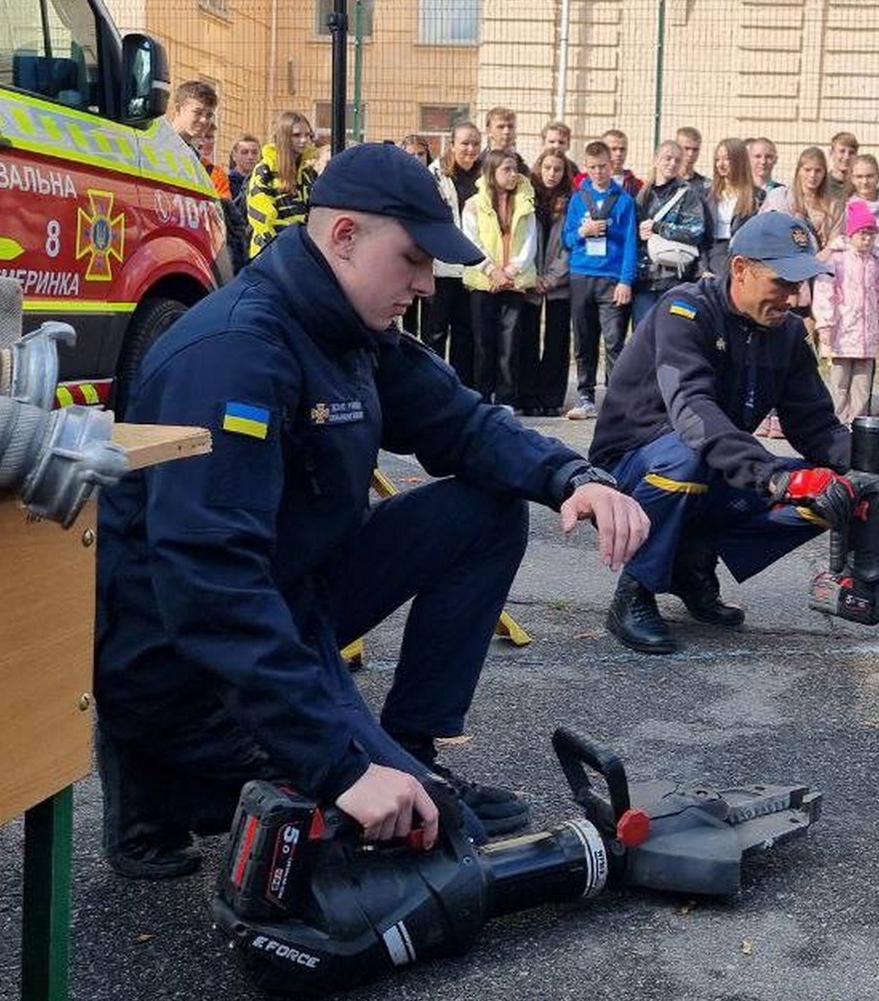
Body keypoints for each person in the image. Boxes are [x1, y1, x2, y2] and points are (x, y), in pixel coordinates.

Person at [92, 143, 649, 877]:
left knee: (485, 511)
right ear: (345, 236)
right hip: (187, 662)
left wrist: (574, 474)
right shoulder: (237, 355)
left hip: (293, 604)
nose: (426, 284)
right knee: (427, 829)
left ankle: (410, 750)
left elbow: (462, 421)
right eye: (413, 259)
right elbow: (209, 586)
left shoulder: (349, 326)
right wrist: (341, 766)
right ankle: (166, 779)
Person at [588, 211, 855, 655]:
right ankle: (635, 591)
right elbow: (692, 413)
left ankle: (690, 564)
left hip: (710, 462)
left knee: (836, 491)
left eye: (799, 284)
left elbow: (817, 428)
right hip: (631, 469)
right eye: (783, 283)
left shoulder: (787, 334)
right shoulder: (685, 310)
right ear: (740, 269)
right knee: (687, 458)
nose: (794, 297)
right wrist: (770, 476)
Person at [564, 140, 639, 419]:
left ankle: (615, 397)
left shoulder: (624, 201)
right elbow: (567, 239)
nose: (598, 172)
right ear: (586, 168)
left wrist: (626, 280)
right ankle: (585, 396)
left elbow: (631, 243)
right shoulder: (577, 199)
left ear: (611, 166)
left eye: (603, 167)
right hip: (581, 273)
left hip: (611, 277)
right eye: (593, 167)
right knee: (583, 338)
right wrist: (583, 231)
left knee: (614, 339)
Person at [463, 149, 539, 409]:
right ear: (491, 173)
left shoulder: (525, 202)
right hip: (484, 283)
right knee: (483, 344)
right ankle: (482, 397)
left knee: (510, 345)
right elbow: (471, 241)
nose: (513, 174)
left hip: (513, 283)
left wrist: (511, 271)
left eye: (514, 168)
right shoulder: (473, 204)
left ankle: (506, 399)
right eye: (506, 169)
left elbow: (530, 242)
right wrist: (492, 270)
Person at [815, 198, 879, 423]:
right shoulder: (837, 260)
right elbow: (824, 292)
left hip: (866, 337)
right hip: (841, 334)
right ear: (851, 234)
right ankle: (836, 422)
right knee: (839, 383)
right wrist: (825, 325)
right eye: (863, 233)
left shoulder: (876, 262)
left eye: (872, 234)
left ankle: (857, 424)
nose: (867, 239)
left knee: (862, 385)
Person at [425, 124, 484, 386]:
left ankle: (460, 388)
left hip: (473, 266)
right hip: (442, 266)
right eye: (464, 143)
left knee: (466, 332)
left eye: (475, 143)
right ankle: (433, 385)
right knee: (436, 331)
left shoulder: (485, 176)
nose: (470, 149)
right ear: (452, 144)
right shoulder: (435, 174)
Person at [522, 150, 576, 417]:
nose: (552, 174)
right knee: (526, 338)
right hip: (530, 281)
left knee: (557, 339)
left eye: (557, 169)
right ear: (538, 168)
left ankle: (552, 398)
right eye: (547, 168)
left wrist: (551, 278)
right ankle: (528, 396)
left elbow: (572, 244)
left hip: (559, 283)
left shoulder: (573, 201)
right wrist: (532, 277)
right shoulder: (527, 197)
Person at [633, 140, 709, 327]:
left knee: (670, 336)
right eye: (667, 158)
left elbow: (696, 231)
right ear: (656, 160)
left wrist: (659, 228)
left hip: (674, 277)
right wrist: (639, 233)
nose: (672, 164)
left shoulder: (687, 193)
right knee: (643, 336)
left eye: (677, 160)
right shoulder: (642, 194)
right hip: (644, 278)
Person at [245, 111, 320, 260]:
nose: (304, 140)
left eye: (308, 135)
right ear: (284, 137)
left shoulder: (308, 172)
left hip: (302, 250)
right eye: (297, 135)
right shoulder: (264, 169)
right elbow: (260, 217)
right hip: (270, 253)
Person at [704, 136, 765, 278]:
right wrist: (703, 269)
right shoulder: (707, 195)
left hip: (741, 259)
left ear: (739, 161)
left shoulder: (757, 196)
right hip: (713, 258)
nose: (721, 164)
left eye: (726, 159)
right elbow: (701, 239)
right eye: (717, 160)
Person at [765, 146, 845, 247]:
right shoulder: (782, 198)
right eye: (807, 170)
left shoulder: (835, 206)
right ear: (799, 171)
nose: (812, 175)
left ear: (825, 173)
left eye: (818, 171)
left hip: (824, 259)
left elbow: (834, 244)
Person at [224, 133, 261, 271]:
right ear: (234, 156)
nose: (250, 157)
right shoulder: (226, 181)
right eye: (244, 152)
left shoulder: (264, 182)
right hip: (235, 242)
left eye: (254, 152)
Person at [601, 129, 645, 197]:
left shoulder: (637, 185)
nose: (619, 154)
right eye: (613, 149)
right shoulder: (586, 182)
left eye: (622, 149)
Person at [826, 131, 860, 196]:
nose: (846, 157)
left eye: (851, 153)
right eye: (842, 151)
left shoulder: (860, 185)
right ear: (831, 153)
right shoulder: (822, 184)